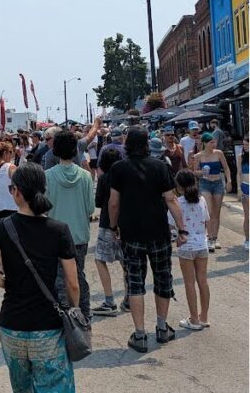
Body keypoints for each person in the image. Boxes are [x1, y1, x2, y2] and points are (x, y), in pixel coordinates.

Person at [0, 162, 79, 393]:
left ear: (16, 192)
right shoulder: (59, 229)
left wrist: (11, 283)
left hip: (11, 325)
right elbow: (73, 284)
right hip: (47, 326)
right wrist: (74, 310)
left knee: (22, 388)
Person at [107, 126, 187, 353]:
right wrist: (182, 229)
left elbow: (113, 203)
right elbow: (171, 200)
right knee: (163, 278)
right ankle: (162, 328)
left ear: (127, 144)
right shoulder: (160, 166)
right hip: (159, 232)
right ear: (147, 144)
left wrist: (114, 226)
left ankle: (140, 334)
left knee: (135, 282)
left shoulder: (118, 168)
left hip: (131, 233)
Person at [45, 130, 95, 322]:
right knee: (78, 274)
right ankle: (84, 313)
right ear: (75, 150)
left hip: (54, 234)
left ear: (55, 151)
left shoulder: (47, 176)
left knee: (58, 277)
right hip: (79, 234)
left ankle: (62, 316)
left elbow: (44, 208)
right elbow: (90, 208)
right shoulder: (85, 176)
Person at [170, 169, 211, 330]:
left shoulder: (177, 202)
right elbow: (207, 220)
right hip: (202, 244)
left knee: (189, 283)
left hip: (186, 245)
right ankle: (204, 317)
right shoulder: (201, 200)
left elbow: (171, 225)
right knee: (203, 280)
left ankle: (193, 319)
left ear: (179, 186)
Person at [91, 149, 126, 316]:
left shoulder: (105, 178)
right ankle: (128, 299)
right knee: (125, 263)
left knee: (100, 259)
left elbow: (98, 202)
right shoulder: (126, 177)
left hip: (107, 223)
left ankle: (109, 300)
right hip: (127, 224)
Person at [192, 132, 230, 252]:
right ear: (204, 143)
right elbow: (194, 171)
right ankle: (209, 238)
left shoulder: (219, 153)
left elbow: (226, 167)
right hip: (205, 183)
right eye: (211, 142)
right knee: (208, 210)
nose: (214, 144)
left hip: (217, 182)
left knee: (216, 212)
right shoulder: (198, 156)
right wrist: (202, 172)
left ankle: (215, 237)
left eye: (214, 142)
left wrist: (229, 181)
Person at [240, 139, 248, 251]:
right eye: (244, 145)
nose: (245, 146)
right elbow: (239, 173)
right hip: (246, 187)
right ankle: (248, 239)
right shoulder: (241, 157)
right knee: (248, 216)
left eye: (247, 144)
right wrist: (239, 189)